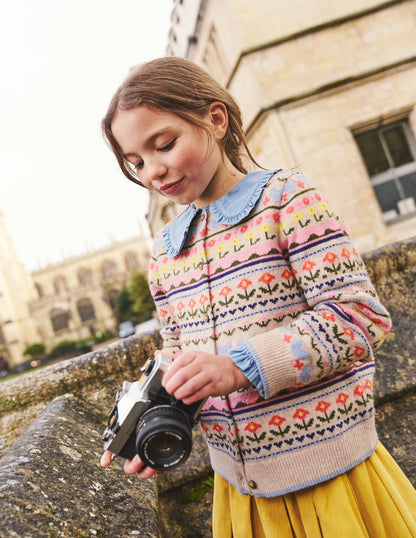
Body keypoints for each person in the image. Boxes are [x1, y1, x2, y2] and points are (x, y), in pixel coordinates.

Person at [100, 56, 416, 537]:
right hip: (241, 495)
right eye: (136, 162)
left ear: (216, 119)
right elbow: (183, 361)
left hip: (333, 481)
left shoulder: (287, 199)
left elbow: (360, 318)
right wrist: (155, 422)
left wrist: (238, 365)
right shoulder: (165, 254)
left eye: (164, 145)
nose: (153, 172)